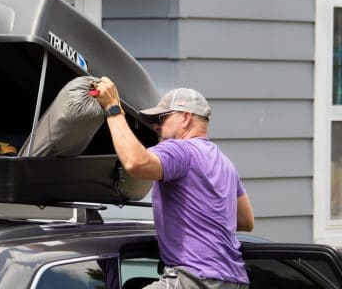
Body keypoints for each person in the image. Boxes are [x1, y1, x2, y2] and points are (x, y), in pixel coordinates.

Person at [94, 78, 254, 289]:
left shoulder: (180, 150)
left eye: (161, 118)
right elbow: (244, 221)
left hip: (194, 278)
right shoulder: (225, 164)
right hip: (234, 280)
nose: (156, 126)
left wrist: (113, 108)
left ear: (185, 118)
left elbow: (135, 162)